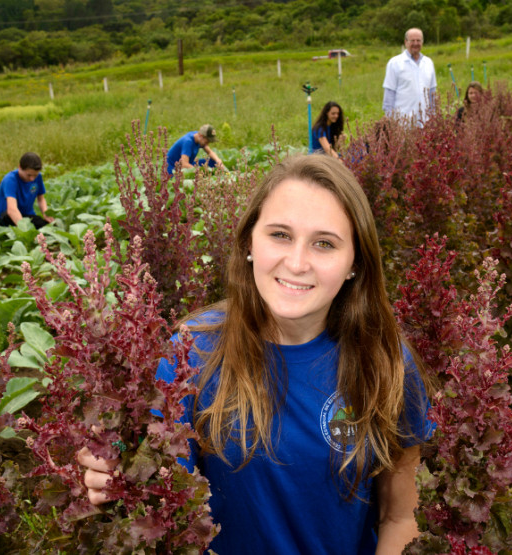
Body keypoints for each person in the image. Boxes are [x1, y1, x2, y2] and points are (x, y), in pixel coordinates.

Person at [79, 155, 433, 554]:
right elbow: (147, 454)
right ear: (250, 241)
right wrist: (110, 461)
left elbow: (399, 516)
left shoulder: (386, 360)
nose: (297, 263)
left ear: (355, 263)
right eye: (280, 234)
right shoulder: (192, 351)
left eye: (324, 243)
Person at [382, 28, 437, 123]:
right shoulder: (395, 63)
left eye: (418, 40)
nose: (416, 43)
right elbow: (389, 95)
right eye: (412, 40)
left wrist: (433, 117)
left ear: (422, 42)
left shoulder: (428, 63)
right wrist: (390, 121)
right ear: (406, 42)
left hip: (425, 123)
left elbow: (432, 93)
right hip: (402, 122)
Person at [0, 152, 53, 229]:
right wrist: (25, 229)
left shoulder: (38, 177)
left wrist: (46, 214)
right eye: (29, 175)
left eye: (35, 175)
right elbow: (11, 210)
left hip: (27, 216)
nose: (32, 179)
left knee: (48, 227)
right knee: (8, 217)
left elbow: (41, 199)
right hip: (7, 218)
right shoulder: (10, 179)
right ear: (19, 167)